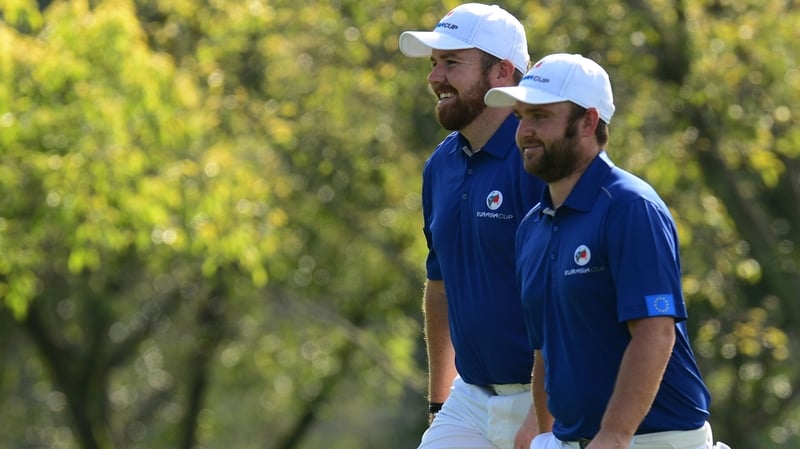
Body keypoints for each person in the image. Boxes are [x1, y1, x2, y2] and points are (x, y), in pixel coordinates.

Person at [484, 53, 731, 449]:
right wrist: (541, 425)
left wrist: (615, 434)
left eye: (541, 117)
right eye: (521, 117)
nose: (525, 131)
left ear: (588, 121)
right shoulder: (532, 226)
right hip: (575, 439)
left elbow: (655, 333)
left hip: (654, 440)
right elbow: (548, 345)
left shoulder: (630, 208)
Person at [399, 3, 547, 449]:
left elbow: (569, 297)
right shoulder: (440, 166)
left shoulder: (540, 161)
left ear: (502, 72)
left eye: (451, 63)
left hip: (546, 393)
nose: (434, 77)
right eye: (433, 64)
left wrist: (547, 409)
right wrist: (438, 403)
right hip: (470, 397)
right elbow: (439, 285)